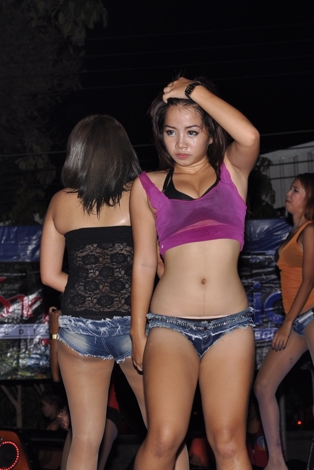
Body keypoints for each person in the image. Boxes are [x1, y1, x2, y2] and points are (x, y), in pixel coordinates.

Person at [131, 76, 260, 469]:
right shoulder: (147, 186)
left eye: (192, 131)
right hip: (170, 325)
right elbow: (144, 262)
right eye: (171, 132)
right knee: (164, 438)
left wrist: (194, 92)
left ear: (209, 134)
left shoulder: (233, 174)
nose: (180, 143)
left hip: (231, 326)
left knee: (229, 444)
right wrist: (137, 331)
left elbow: (249, 136)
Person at [40, 115, 170, 470]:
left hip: (78, 326)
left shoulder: (60, 202)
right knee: (164, 430)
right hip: (135, 324)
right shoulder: (141, 195)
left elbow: (49, 275)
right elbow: (162, 268)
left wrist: (89, 291)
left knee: (85, 438)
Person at [253, 173, 314, 470]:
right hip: (299, 322)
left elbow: (308, 281)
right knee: (263, 386)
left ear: (310, 199)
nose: (289, 193)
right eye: (292, 188)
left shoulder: (311, 230)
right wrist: (289, 323)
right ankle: (276, 461)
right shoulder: (294, 232)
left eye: (296, 190)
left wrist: (285, 324)